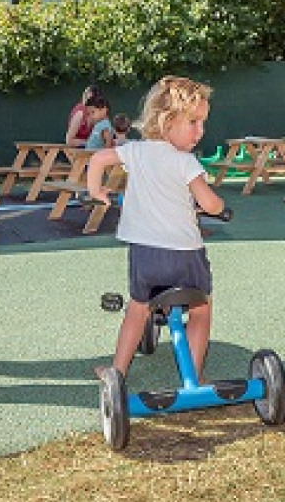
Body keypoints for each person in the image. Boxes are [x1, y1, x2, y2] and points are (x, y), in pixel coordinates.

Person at [85, 75, 224, 381]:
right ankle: (194, 378)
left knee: (137, 309)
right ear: (167, 120)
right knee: (200, 310)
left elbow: (97, 159)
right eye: (194, 123)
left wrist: (96, 191)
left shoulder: (134, 151)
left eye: (202, 123)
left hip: (146, 259)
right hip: (186, 260)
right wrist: (218, 207)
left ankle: (117, 371)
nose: (200, 131)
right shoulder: (185, 162)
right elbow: (211, 204)